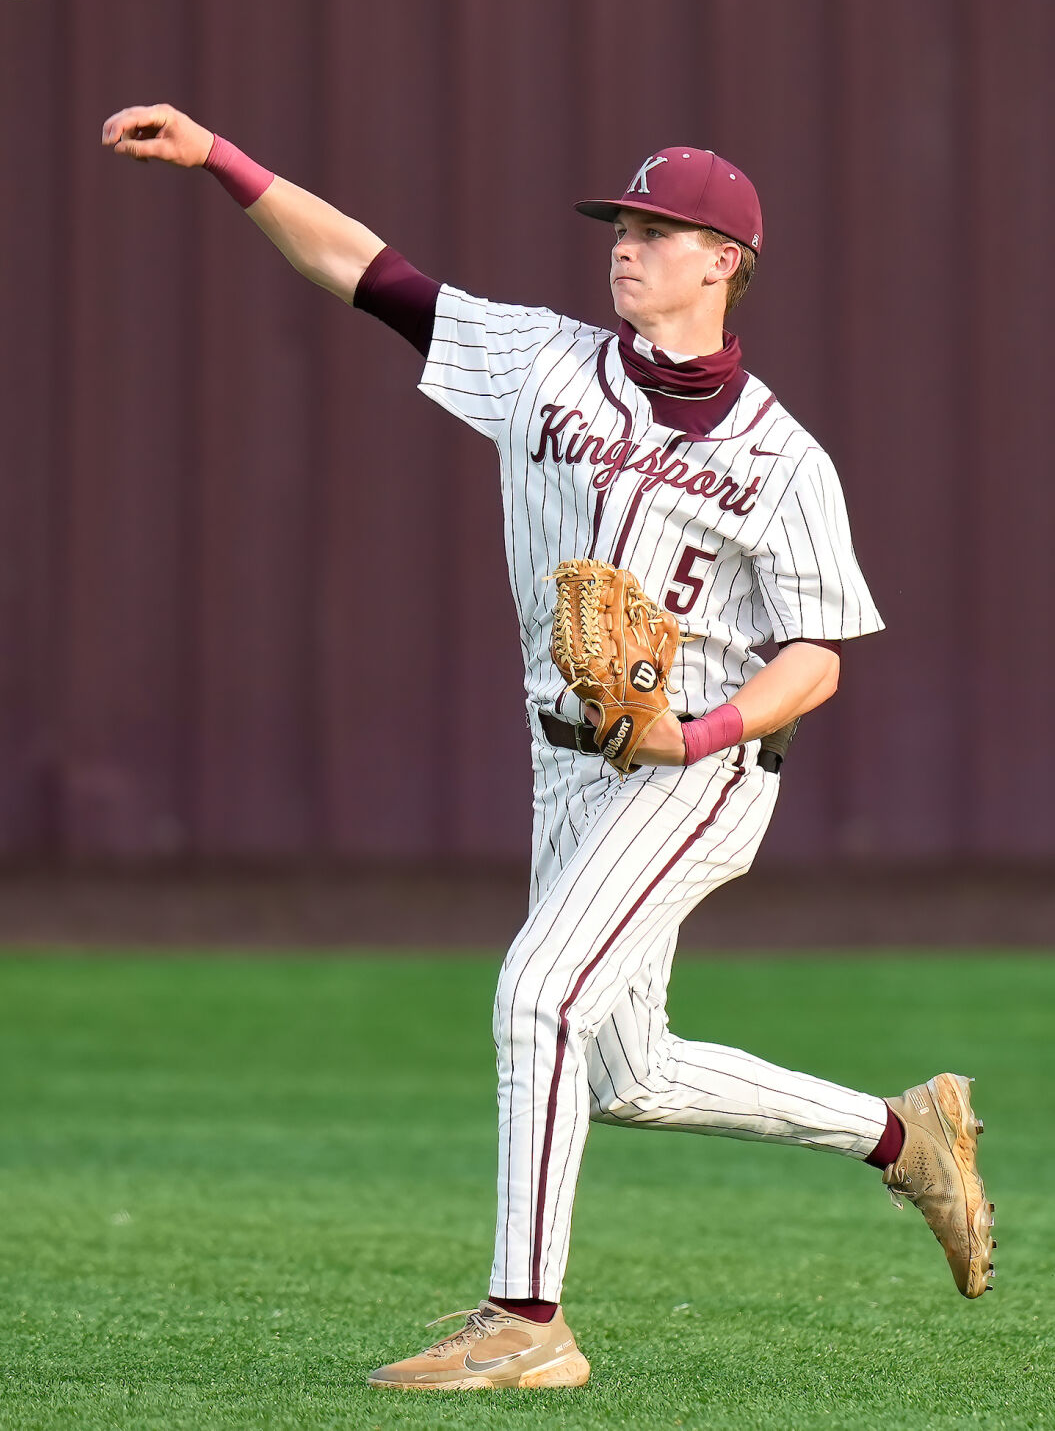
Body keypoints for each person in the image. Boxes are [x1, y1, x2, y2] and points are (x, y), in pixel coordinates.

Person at [101, 105, 995, 1393]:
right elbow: (366, 271)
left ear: (724, 261)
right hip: (568, 764)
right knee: (625, 1064)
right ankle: (905, 1137)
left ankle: (526, 1320)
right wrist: (222, 164)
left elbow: (818, 661)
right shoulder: (540, 363)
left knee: (537, 992)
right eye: (621, 227)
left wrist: (698, 727)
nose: (626, 249)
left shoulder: (786, 462)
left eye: (657, 232)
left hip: (698, 771)